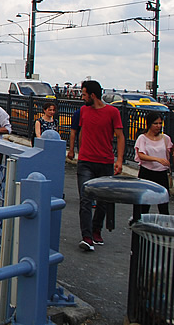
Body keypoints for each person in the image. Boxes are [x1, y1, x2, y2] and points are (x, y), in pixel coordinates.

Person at [67, 80, 124, 252]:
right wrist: (79, 149)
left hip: (105, 161)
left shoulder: (113, 112)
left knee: (103, 200)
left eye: (84, 94)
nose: (82, 98)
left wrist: (119, 160)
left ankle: (96, 229)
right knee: (85, 199)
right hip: (86, 161)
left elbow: (120, 136)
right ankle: (87, 236)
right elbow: (81, 131)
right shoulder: (83, 111)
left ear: (92, 95)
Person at [131, 111, 174, 222]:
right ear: (149, 124)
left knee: (163, 206)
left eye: (160, 123)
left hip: (161, 174)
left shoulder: (165, 139)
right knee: (144, 205)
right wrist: (157, 159)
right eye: (156, 123)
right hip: (147, 173)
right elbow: (141, 155)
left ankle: (165, 230)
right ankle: (141, 230)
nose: (158, 126)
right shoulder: (142, 138)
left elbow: (171, 153)